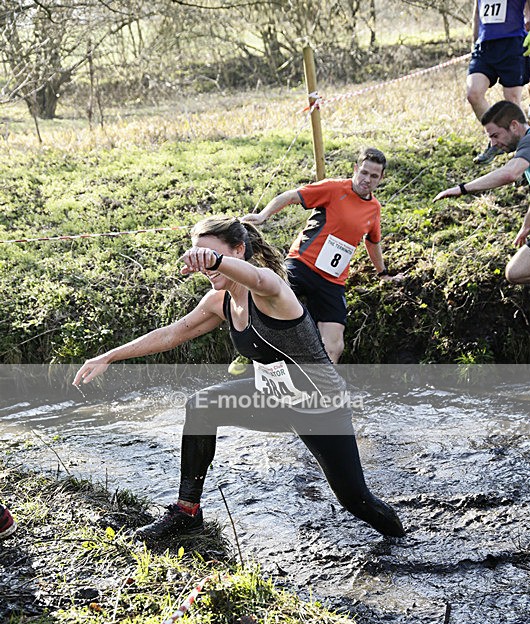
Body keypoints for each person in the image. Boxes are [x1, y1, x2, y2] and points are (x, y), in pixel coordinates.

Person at [73, 216, 404, 540]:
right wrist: (109, 356)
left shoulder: (271, 289)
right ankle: (187, 512)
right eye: (200, 257)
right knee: (201, 406)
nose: (205, 267)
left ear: (238, 250)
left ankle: (403, 540)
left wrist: (215, 261)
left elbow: (257, 278)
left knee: (356, 500)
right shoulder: (220, 301)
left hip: (320, 409)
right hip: (274, 401)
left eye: (211, 255)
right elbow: (172, 334)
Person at [241, 147, 396, 364]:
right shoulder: (334, 188)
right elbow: (291, 196)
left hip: (332, 281)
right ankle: (248, 351)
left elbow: (372, 242)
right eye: (363, 172)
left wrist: (383, 273)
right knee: (266, 301)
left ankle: (323, 383)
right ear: (355, 169)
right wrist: (263, 215)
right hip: (301, 265)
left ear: (381, 178)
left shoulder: (374, 209)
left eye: (373, 176)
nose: (367, 180)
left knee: (334, 345)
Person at [434, 101, 530, 284]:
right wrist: (527, 226)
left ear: (514, 125)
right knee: (515, 273)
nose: (493, 144)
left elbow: (510, 173)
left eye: (495, 136)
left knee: (516, 272)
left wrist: (462, 189)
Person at [467, 0, 530, 164]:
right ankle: (497, 140)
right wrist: (474, 41)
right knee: (473, 94)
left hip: (512, 43)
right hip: (484, 46)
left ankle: (525, 152)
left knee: (512, 100)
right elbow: (477, 12)